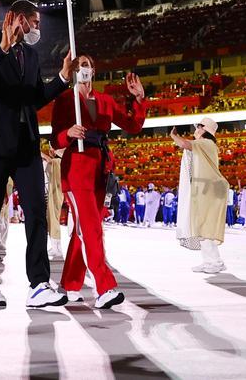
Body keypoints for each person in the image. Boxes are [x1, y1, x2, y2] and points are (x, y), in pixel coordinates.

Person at [0, 1, 75, 307]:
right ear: (17, 19)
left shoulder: (30, 53)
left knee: (36, 211)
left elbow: (34, 98)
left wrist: (63, 79)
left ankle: (39, 283)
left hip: (26, 143)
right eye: (35, 22)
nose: (37, 29)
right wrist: (1, 48)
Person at [51, 55, 147, 308]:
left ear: (93, 70)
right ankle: (105, 287)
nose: (83, 68)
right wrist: (67, 133)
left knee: (84, 229)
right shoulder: (64, 99)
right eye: (79, 65)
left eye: (87, 64)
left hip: (100, 170)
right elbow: (54, 140)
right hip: (76, 169)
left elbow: (133, 125)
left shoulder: (105, 100)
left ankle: (70, 284)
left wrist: (139, 99)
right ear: (73, 71)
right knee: (92, 228)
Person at [171, 118, 230, 274]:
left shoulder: (206, 143)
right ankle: (209, 261)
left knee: (206, 227)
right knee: (203, 226)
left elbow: (184, 144)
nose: (196, 129)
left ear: (206, 130)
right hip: (207, 189)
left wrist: (173, 136)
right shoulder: (205, 145)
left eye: (199, 126)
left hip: (210, 190)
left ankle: (215, 262)